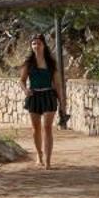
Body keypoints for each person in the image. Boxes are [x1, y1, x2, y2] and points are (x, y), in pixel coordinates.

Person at [21, 34, 65, 168]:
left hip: (49, 96)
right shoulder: (28, 63)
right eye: (34, 43)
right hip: (34, 96)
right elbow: (21, 80)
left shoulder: (51, 63)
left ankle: (48, 161)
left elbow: (57, 84)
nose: (36, 46)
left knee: (47, 128)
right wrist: (25, 90)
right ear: (31, 46)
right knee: (36, 129)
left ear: (44, 45)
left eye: (39, 43)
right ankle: (39, 156)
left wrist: (62, 101)